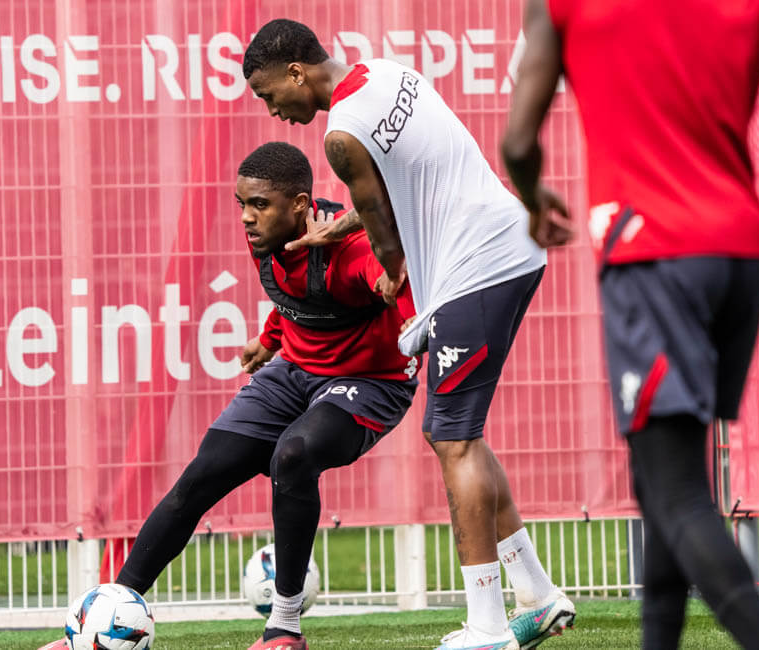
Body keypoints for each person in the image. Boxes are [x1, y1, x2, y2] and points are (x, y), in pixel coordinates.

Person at [501, 0, 759, 647]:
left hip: (652, 256)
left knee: (676, 487)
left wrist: (533, 193)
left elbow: (518, 142)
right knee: (660, 478)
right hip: (740, 256)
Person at [243, 20, 575, 650]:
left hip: (477, 267)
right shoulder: (387, 73)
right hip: (510, 245)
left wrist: (394, 273)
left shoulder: (340, 136)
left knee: (451, 438)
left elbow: (386, 234)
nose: (273, 111)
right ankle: (536, 594)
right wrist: (338, 232)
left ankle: (488, 627)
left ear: (295, 72)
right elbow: (397, 193)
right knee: (462, 434)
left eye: (268, 94)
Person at [113, 142, 419, 650]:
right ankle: (105, 612)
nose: (246, 217)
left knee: (293, 456)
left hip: (372, 381)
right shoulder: (268, 238)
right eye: (242, 204)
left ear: (299, 205)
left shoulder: (348, 248)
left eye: (259, 205)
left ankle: (284, 627)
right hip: (294, 370)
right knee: (201, 474)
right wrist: (269, 338)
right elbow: (298, 294)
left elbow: (388, 277)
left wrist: (404, 307)